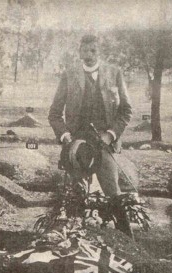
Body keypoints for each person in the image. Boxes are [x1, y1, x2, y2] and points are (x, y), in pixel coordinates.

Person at [48, 34, 133, 199]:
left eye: (93, 50)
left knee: (113, 193)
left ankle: (122, 224)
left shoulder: (114, 73)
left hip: (104, 143)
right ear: (79, 52)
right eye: (85, 51)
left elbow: (126, 110)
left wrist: (111, 135)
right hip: (76, 144)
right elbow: (54, 114)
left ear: (99, 51)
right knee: (75, 196)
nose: (89, 55)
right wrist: (66, 136)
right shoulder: (69, 75)